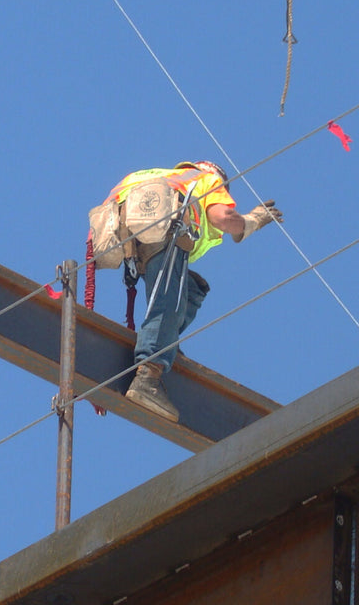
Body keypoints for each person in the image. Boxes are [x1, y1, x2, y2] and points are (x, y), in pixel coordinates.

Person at [113, 161, 283, 422]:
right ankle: (148, 375)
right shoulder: (207, 180)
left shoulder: (158, 175)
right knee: (167, 300)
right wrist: (252, 221)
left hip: (130, 236)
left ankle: (165, 341)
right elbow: (222, 218)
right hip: (164, 229)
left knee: (191, 289)